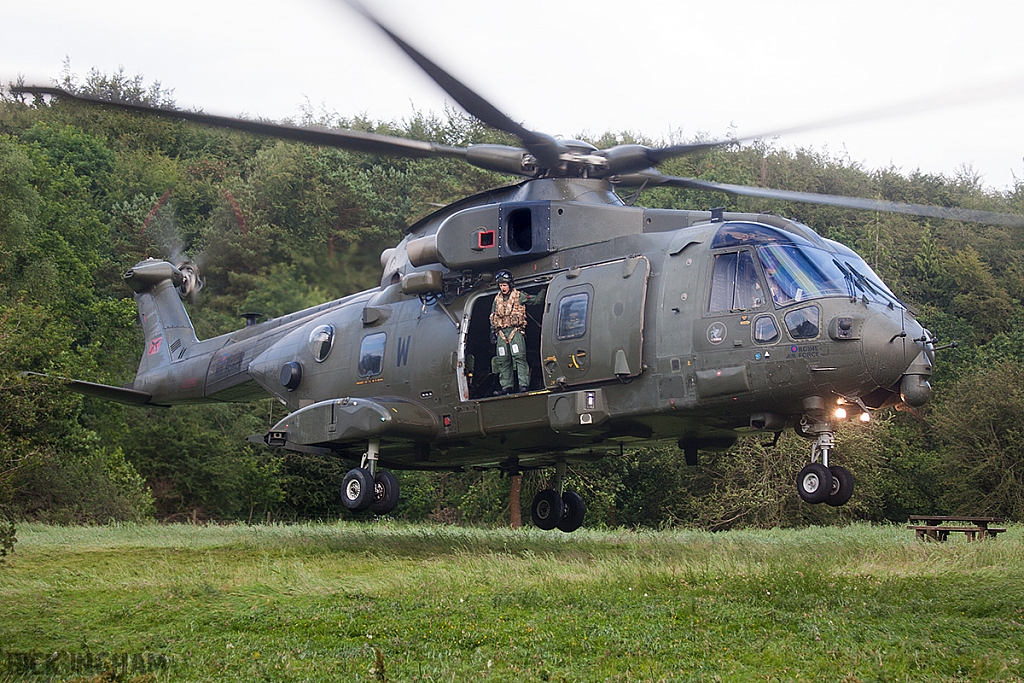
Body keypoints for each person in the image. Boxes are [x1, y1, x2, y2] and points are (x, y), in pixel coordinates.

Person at [489, 270, 545, 395]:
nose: (502, 288)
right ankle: (506, 386)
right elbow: (493, 317)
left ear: (510, 284)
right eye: (501, 285)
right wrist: (492, 333)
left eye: (504, 285)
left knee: (519, 357)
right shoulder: (496, 300)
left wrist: (543, 289)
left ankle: (523, 385)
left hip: (515, 331)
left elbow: (536, 301)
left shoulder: (519, 296)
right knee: (503, 359)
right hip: (501, 333)